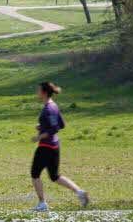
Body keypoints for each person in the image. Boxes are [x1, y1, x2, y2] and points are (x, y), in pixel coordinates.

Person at [30, 81, 89, 211]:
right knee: (54, 176)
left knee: (35, 174)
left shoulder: (48, 109)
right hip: (55, 146)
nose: (37, 92)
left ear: (44, 93)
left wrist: (39, 136)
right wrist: (42, 127)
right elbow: (61, 124)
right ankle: (80, 192)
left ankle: (42, 204)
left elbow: (54, 128)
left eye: (39, 90)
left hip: (46, 146)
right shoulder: (54, 106)